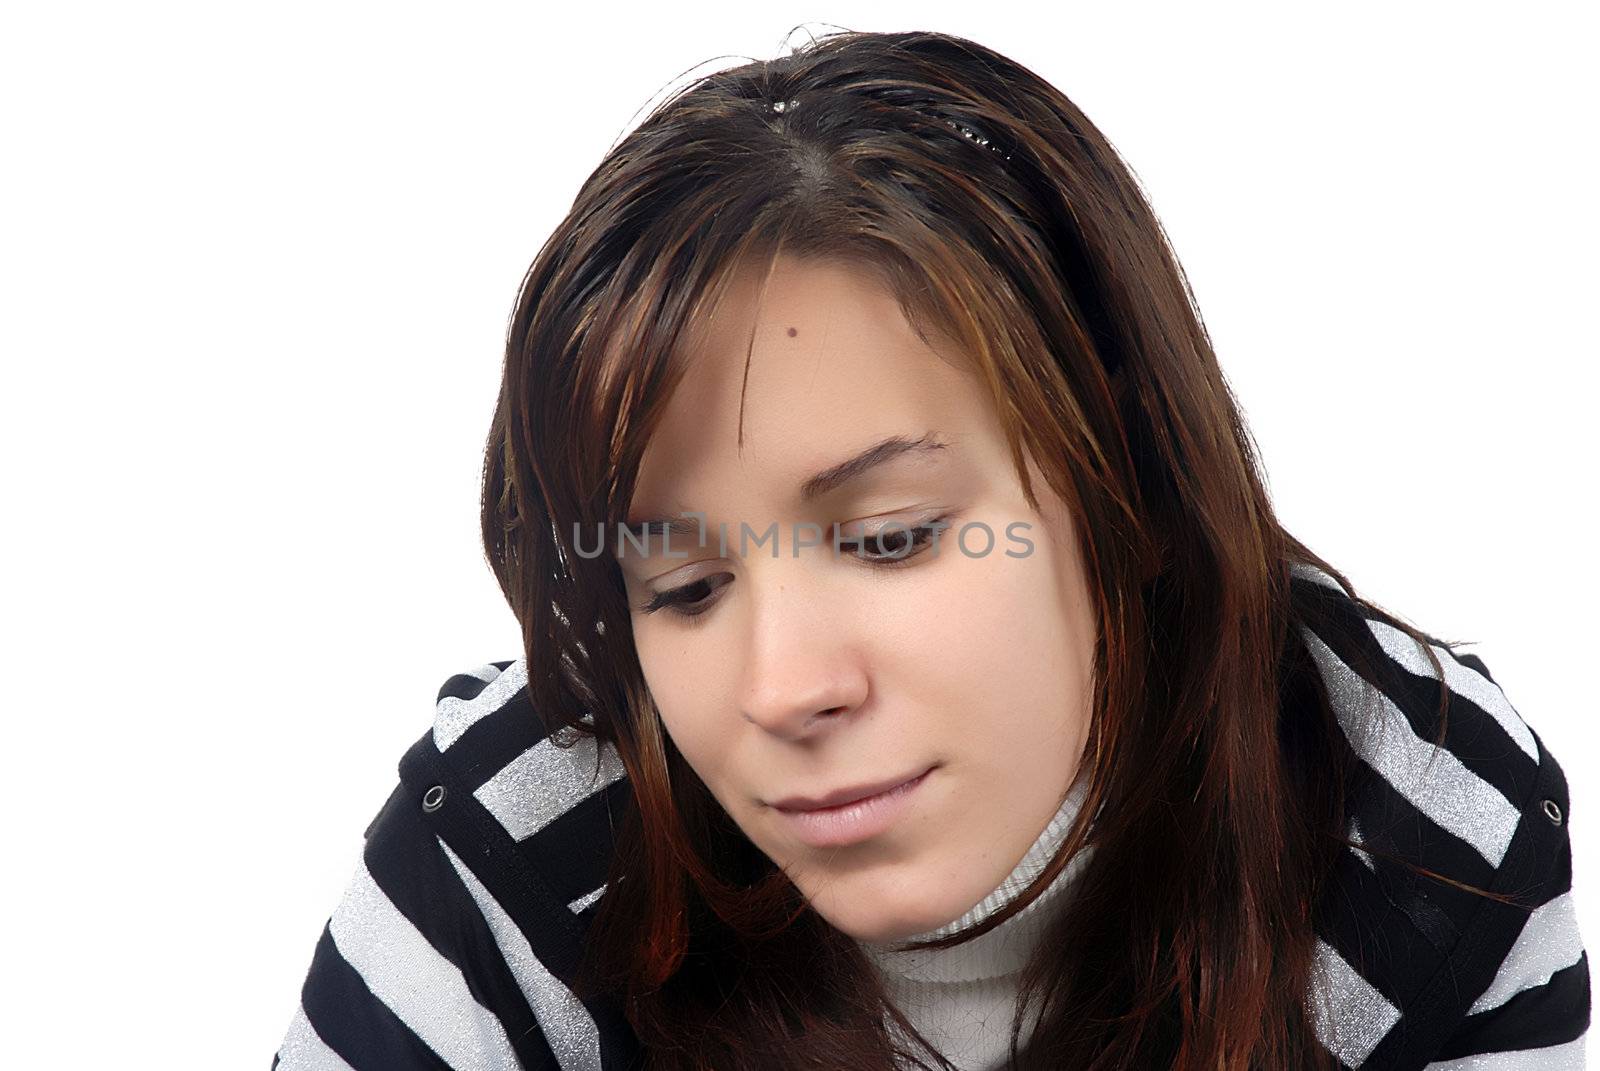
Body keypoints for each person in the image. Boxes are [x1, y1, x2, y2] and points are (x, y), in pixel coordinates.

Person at [271, 28, 1589, 1071]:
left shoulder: (1417, 828)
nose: (784, 687)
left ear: (1123, 486)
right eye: (683, 586)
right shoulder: (520, 844)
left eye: (890, 538)